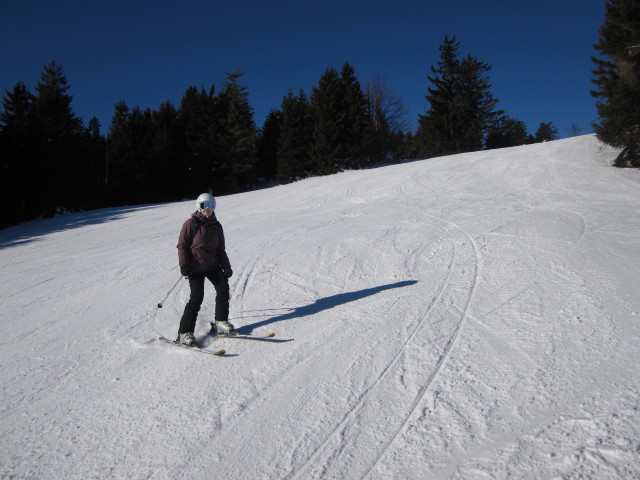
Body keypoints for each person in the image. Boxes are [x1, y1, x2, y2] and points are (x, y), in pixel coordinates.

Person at [176, 193, 235, 346]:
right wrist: (184, 264)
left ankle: (221, 322)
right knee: (197, 298)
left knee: (223, 288)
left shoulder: (216, 225)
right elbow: (182, 245)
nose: (208, 209)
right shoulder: (191, 223)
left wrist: (226, 267)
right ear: (199, 206)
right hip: (195, 267)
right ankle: (184, 333)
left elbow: (220, 249)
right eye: (205, 206)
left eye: (211, 206)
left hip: (212, 266)